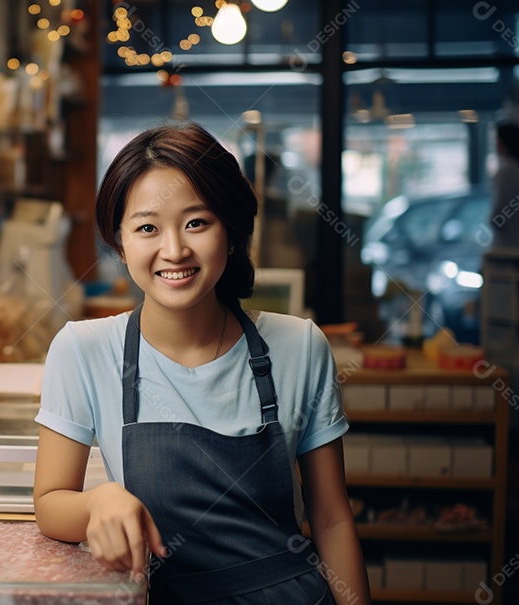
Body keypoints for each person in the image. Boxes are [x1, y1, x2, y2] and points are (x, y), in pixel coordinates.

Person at [33, 122, 370, 604]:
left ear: (231, 234)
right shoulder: (83, 349)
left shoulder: (300, 346)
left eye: (197, 222)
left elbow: (333, 517)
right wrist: (99, 500)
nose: (174, 251)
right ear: (120, 241)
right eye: (147, 227)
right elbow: (49, 504)